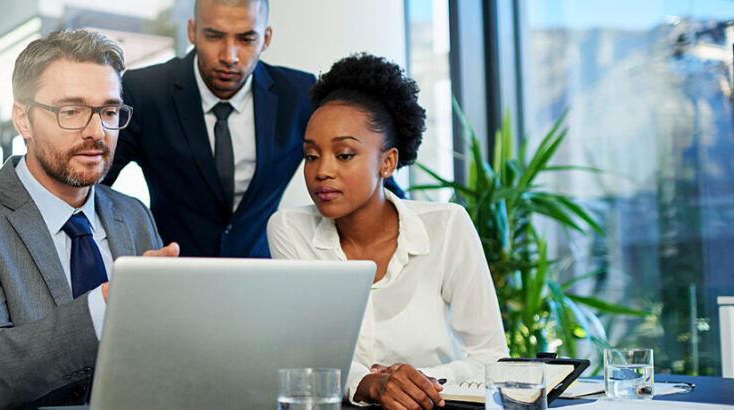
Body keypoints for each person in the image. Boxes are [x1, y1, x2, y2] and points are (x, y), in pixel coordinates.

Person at [0, 29, 179, 410]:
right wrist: (106, 305)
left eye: (109, 111)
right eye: (71, 111)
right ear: (23, 119)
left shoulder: (133, 214)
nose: (97, 132)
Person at [266, 54, 509, 409]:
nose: (322, 171)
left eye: (344, 154)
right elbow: (306, 355)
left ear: (388, 162)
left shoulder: (446, 226)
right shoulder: (290, 229)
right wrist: (369, 383)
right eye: (312, 155)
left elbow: (492, 357)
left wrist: (414, 381)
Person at [101, 0, 316, 258]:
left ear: (266, 38)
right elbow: (93, 186)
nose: (229, 56)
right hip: (172, 274)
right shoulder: (145, 92)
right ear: (193, 31)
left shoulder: (298, 95)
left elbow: (355, 168)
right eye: (214, 36)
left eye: (246, 39)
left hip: (259, 277)